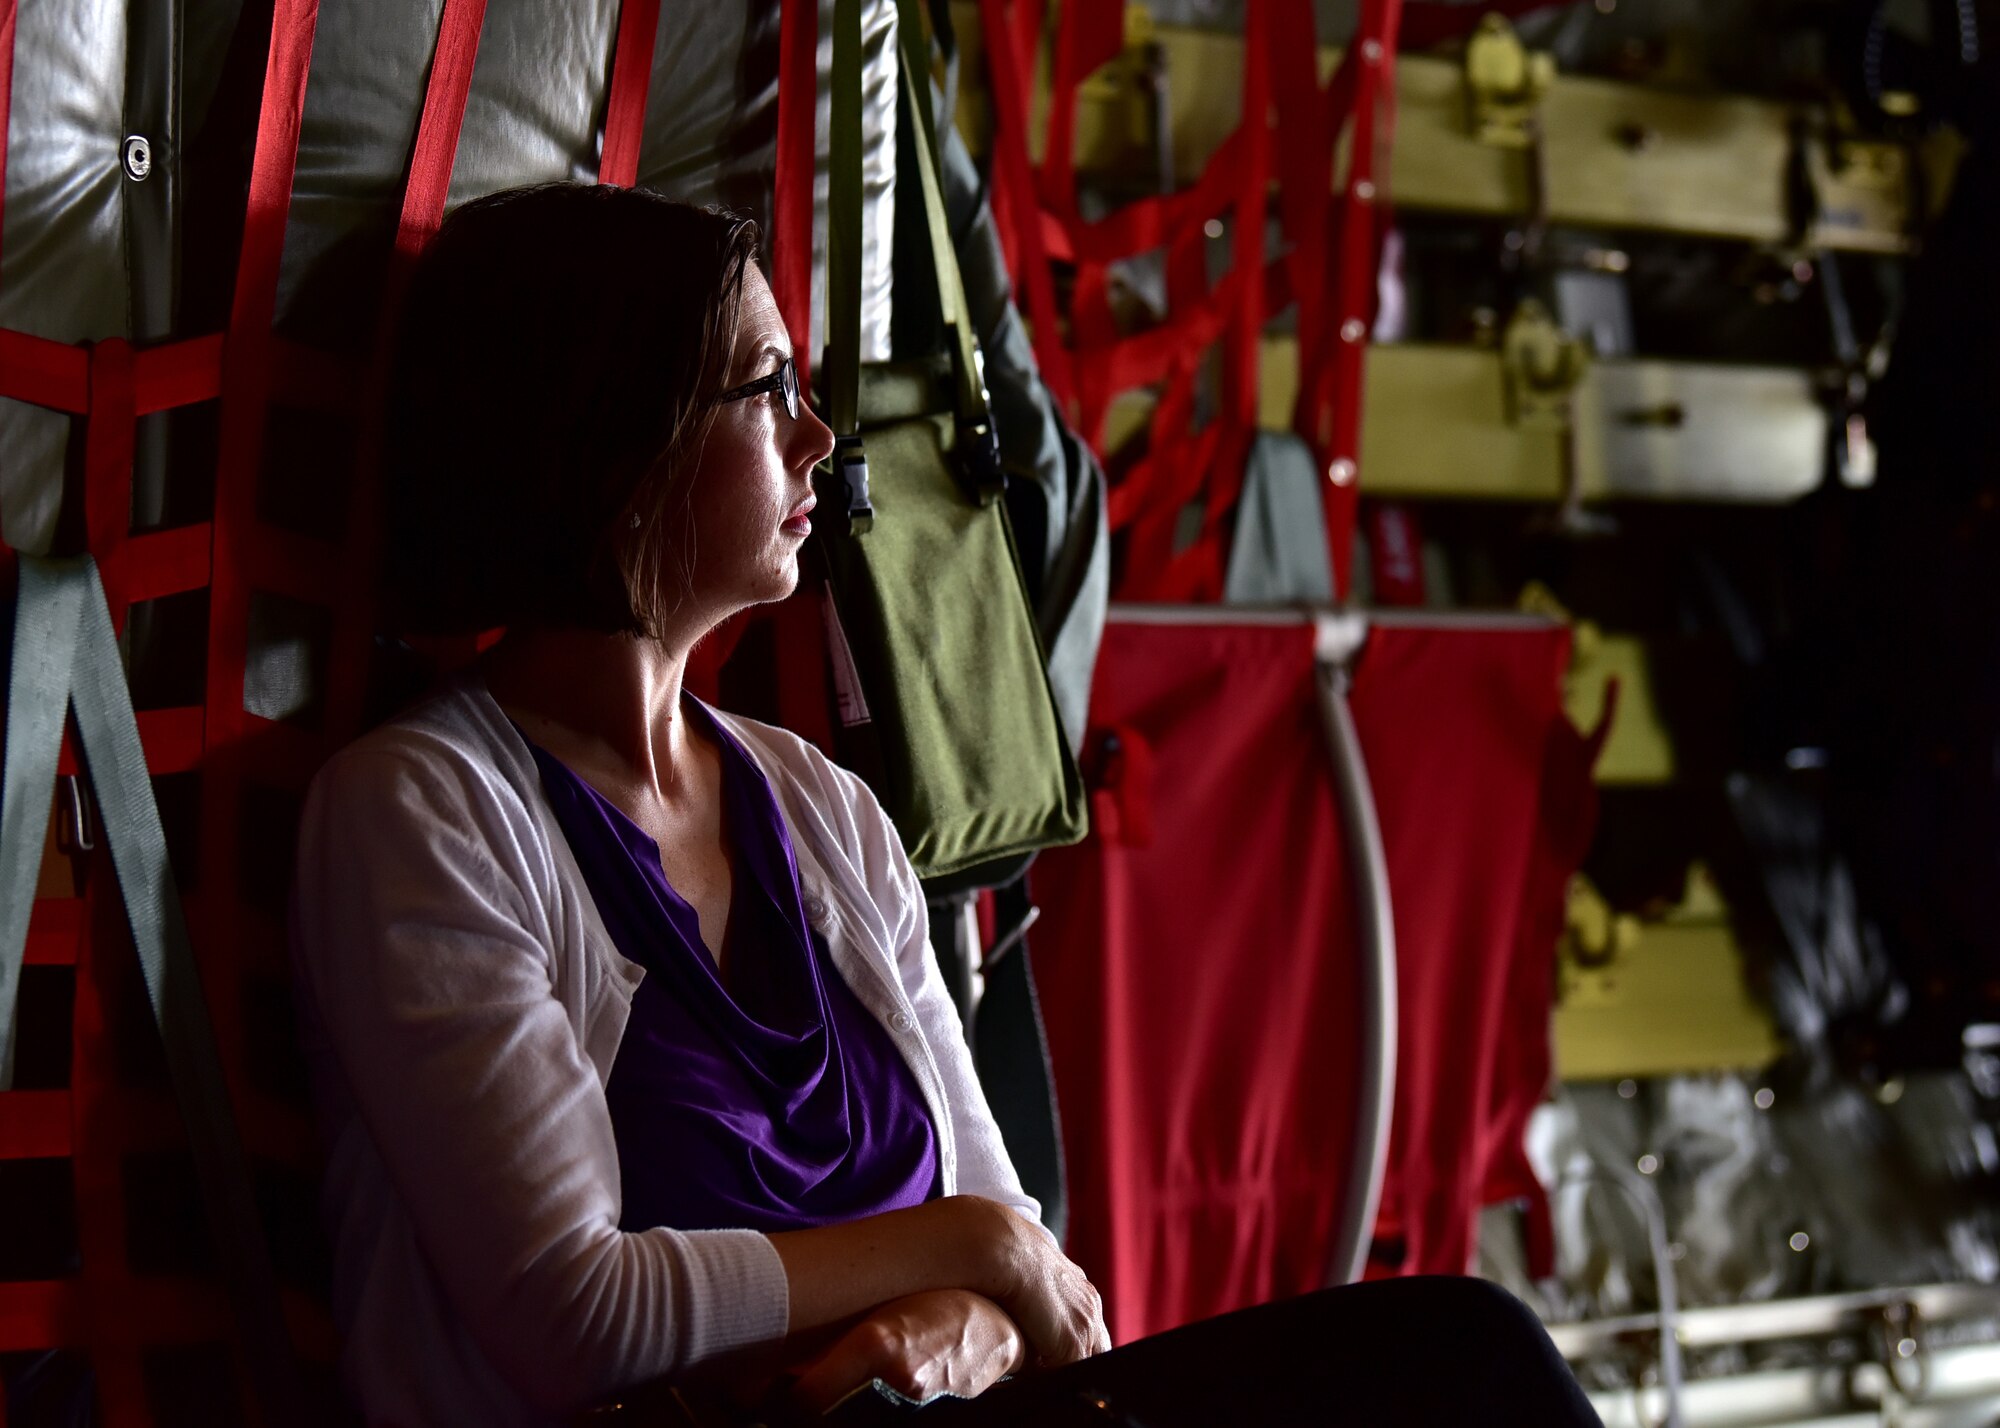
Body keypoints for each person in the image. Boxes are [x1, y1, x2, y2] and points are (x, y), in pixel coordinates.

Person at [289, 181, 1602, 1427]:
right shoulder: (421, 813)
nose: (817, 438)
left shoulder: (822, 810)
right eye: (768, 388)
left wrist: (950, 1327)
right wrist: (970, 1257)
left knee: (1469, 1356)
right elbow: (576, 1310)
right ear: (613, 434)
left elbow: (1030, 1265)